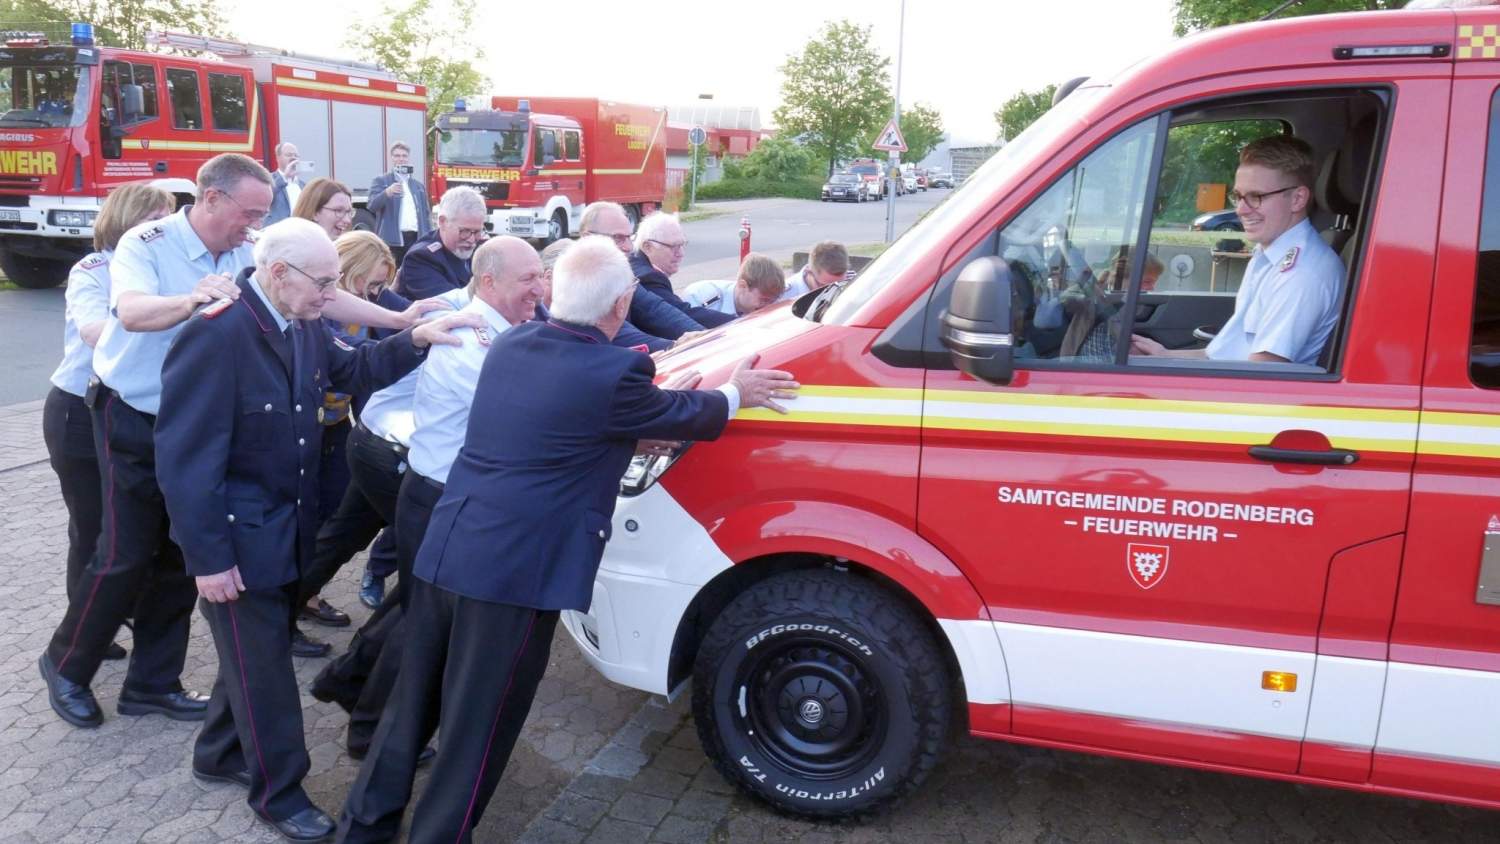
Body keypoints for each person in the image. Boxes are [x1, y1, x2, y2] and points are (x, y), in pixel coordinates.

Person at [335, 237, 800, 842]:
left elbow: (569, 417)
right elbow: (680, 414)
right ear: (621, 304)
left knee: (412, 701)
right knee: (480, 726)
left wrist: (637, 420)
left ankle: (363, 826)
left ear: (559, 293)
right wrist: (736, 392)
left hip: (450, 545)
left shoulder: (514, 343)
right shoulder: (614, 372)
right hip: (514, 576)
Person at [38, 153, 452, 731]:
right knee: (124, 552)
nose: (258, 222)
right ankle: (66, 665)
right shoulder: (147, 242)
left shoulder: (248, 247)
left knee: (182, 556)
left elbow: (322, 296)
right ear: (211, 198)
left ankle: (152, 683)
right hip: (133, 414)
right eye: (251, 212)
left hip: (200, 418)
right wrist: (190, 302)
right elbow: (129, 313)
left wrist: (403, 322)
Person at [153, 217, 481, 843]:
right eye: (324, 283)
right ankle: (279, 792)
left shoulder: (299, 319)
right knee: (267, 674)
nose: (332, 295)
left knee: (252, 657)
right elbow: (184, 461)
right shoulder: (216, 335)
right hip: (237, 541)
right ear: (278, 273)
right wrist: (208, 559)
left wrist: (416, 337)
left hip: (285, 529)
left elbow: (353, 371)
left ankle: (218, 752)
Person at [42, 182, 175, 664]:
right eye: (155, 220)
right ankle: (84, 635)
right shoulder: (93, 270)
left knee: (132, 529)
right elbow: (93, 330)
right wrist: (163, 316)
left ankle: (119, 610)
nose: (164, 230)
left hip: (127, 408)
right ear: (127, 220)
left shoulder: (159, 268)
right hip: (80, 410)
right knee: (93, 526)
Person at [1131, 135, 1343, 365]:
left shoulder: (1301, 274)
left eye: (1256, 197)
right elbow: (1222, 357)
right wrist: (1164, 356)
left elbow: (1260, 374)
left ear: (1297, 199)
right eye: (1238, 196)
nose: (1241, 210)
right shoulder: (1268, 255)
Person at [578, 202, 687, 350]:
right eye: (618, 238)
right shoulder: (576, 280)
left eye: (629, 237)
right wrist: (677, 346)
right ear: (587, 238)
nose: (629, 247)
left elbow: (655, 309)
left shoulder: (620, 274)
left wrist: (704, 337)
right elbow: (621, 333)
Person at [629, 212, 734, 337]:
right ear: (648, 247)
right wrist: (737, 322)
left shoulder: (636, 264)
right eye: (673, 246)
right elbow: (682, 315)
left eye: (682, 245)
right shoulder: (648, 278)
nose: (681, 253)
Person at [1059, 250, 1164, 360]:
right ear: (1120, 277)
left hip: (1114, 356)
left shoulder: (1135, 300)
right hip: (1087, 357)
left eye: (1154, 282)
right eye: (1147, 282)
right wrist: (1085, 289)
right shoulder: (1094, 291)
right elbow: (1067, 299)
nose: (1152, 288)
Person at [394, 186, 484, 301]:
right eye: (464, 231)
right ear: (443, 222)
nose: (471, 240)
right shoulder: (421, 259)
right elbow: (455, 304)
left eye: (477, 231)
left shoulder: (481, 249)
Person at [368, 142, 432, 265]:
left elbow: (426, 215)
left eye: (404, 156)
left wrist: (428, 238)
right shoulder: (382, 181)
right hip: (392, 240)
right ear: (392, 158)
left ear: (408, 158)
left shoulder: (418, 186)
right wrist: (387, 192)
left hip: (415, 239)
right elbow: (372, 206)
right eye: (397, 156)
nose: (401, 159)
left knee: (412, 271)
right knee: (390, 271)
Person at [682, 253, 787, 318]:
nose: (767, 306)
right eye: (764, 300)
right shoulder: (701, 297)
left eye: (772, 301)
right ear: (743, 286)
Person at [781, 240, 850, 301]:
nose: (833, 291)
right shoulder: (785, 296)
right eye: (825, 286)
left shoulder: (853, 283)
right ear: (809, 272)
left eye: (841, 284)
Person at [267, 142, 306, 225]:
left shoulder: (303, 185)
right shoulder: (268, 179)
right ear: (278, 158)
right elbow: (265, 195)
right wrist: (284, 177)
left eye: (296, 156)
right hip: (276, 230)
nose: (293, 158)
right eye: (289, 155)